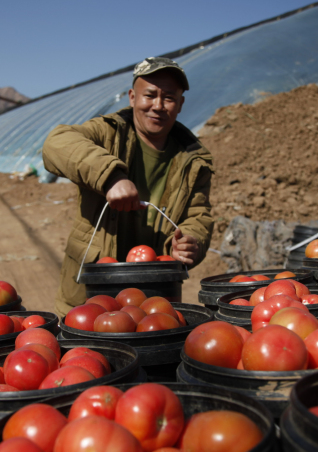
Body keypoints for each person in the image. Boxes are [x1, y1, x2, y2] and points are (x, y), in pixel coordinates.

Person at [42, 57, 214, 317]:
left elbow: (197, 214)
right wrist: (110, 175)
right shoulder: (108, 133)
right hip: (90, 297)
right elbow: (56, 143)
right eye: (150, 95)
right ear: (132, 97)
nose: (158, 106)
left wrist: (191, 241)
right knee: (86, 352)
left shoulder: (195, 159)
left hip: (156, 297)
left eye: (168, 97)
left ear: (180, 104)